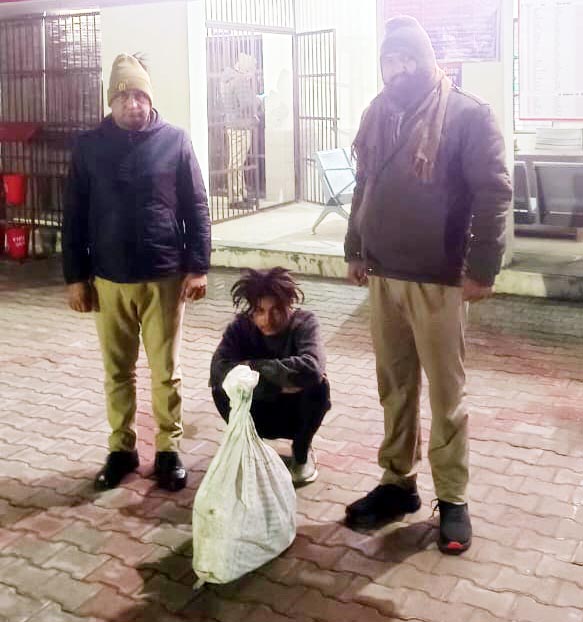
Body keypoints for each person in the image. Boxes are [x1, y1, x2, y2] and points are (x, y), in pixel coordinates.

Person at [344, 16, 512, 553]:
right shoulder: (378, 113)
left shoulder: (467, 114)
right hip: (384, 275)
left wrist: (482, 267)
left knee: (446, 395)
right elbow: (364, 183)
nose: (398, 70)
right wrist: (354, 248)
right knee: (394, 388)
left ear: (427, 60)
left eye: (407, 59)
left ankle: (453, 498)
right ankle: (398, 483)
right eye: (390, 61)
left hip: (439, 279)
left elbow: (493, 193)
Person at [62, 53, 211, 492]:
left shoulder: (175, 141)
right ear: (110, 100)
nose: (133, 104)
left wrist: (197, 267)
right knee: (117, 371)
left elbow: (196, 207)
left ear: (150, 98)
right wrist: (76, 277)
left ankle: (168, 450)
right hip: (109, 279)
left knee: (166, 371)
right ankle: (121, 450)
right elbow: (74, 215)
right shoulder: (89, 146)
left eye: (140, 95)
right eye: (123, 96)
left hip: (164, 276)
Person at [210, 267, 330, 485]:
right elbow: (218, 369)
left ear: (289, 305)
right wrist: (276, 386)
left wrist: (251, 367)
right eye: (260, 311)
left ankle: (301, 454)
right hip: (257, 408)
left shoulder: (305, 323)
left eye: (276, 310)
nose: (267, 319)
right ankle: (252, 449)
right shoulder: (240, 327)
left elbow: (312, 367)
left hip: (294, 412)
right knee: (221, 386)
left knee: (319, 386)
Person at [220, 53, 260, 209]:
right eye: (251, 69)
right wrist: (258, 99)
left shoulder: (227, 78)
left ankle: (240, 194)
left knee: (236, 162)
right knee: (237, 163)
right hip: (241, 125)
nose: (251, 72)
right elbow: (247, 104)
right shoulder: (239, 80)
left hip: (232, 123)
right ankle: (236, 198)